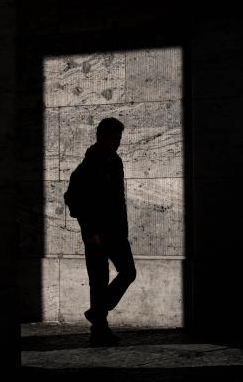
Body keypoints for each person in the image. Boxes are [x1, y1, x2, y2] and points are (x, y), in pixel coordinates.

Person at [71, 117, 136, 346]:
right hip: (96, 235)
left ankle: (97, 311)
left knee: (128, 272)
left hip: (116, 232)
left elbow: (118, 200)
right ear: (104, 138)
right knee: (98, 281)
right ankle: (99, 331)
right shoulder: (90, 164)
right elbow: (73, 198)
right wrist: (89, 231)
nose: (118, 143)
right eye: (115, 138)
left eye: (119, 139)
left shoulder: (115, 162)